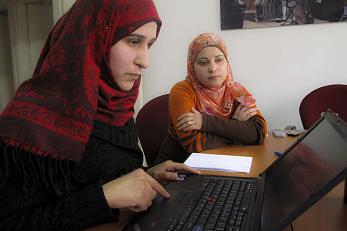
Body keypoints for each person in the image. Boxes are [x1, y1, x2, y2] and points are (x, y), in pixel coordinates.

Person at [0, 0, 199, 230]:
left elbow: (101, 174)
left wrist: (148, 176)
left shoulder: (118, 106)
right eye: (134, 41)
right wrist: (102, 198)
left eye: (149, 44)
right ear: (92, 39)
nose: (145, 61)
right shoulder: (28, 123)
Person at [155, 33, 267, 164]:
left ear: (227, 63)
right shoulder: (182, 90)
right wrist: (237, 129)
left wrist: (204, 122)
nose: (213, 68)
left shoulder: (237, 91)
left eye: (219, 60)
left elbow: (260, 132)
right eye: (203, 62)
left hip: (223, 165)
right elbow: (194, 144)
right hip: (177, 170)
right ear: (192, 66)